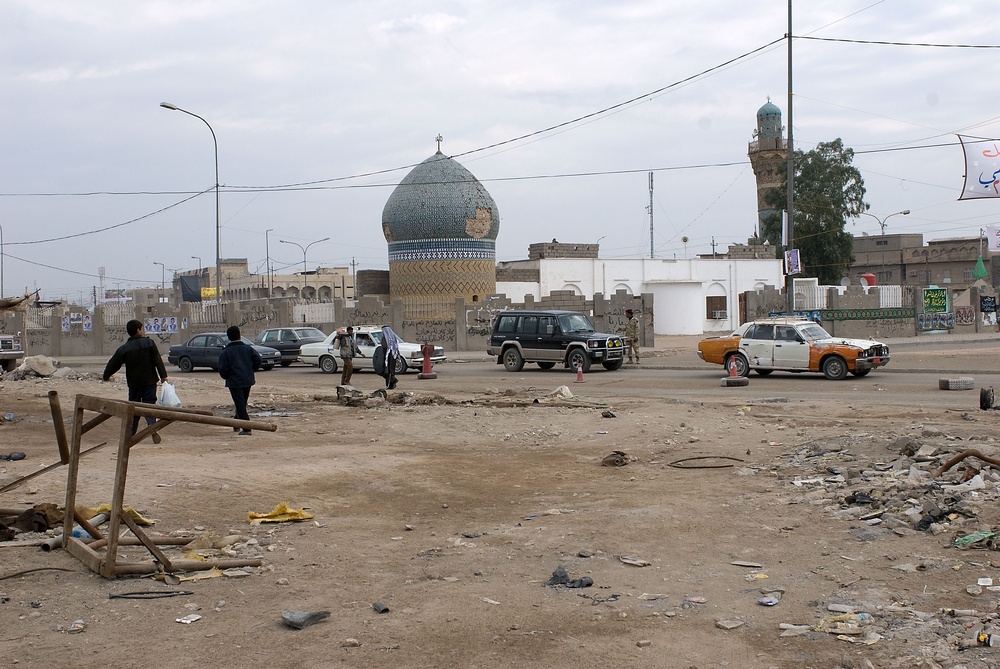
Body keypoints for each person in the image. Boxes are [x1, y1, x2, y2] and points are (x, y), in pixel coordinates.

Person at [102, 319, 168, 443]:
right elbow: (157, 360)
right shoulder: (149, 343)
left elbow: (113, 363)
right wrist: (163, 376)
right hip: (150, 381)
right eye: (141, 328)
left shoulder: (125, 348)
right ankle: (152, 428)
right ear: (138, 330)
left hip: (134, 383)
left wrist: (106, 375)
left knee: (134, 407)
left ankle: (131, 435)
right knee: (149, 405)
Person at [217, 325, 261, 436]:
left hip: (234, 382)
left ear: (228, 337)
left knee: (240, 404)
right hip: (247, 380)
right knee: (242, 402)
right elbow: (258, 360)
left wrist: (227, 376)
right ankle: (236, 422)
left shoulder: (226, 352)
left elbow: (222, 369)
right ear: (239, 335)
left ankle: (247, 428)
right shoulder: (247, 348)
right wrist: (251, 370)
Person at [380, 325, 401, 390]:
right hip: (393, 355)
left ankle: (391, 382)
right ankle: (391, 384)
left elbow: (384, 346)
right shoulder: (393, 337)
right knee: (391, 371)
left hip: (388, 356)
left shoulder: (385, 338)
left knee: (387, 371)